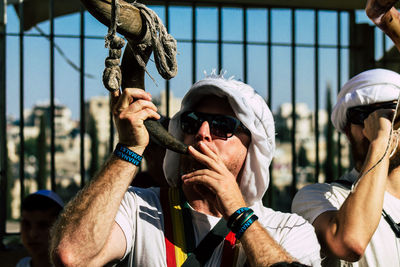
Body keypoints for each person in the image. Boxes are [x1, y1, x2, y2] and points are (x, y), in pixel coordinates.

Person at [50, 72, 321, 267]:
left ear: (252, 148)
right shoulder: (139, 208)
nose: (202, 134)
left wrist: (239, 215)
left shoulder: (287, 229)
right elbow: (73, 256)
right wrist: (129, 148)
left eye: (221, 127)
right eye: (193, 122)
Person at [292, 68, 400, 267]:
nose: (376, 125)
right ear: (348, 132)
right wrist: (380, 141)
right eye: (363, 116)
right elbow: (350, 243)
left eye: (390, 114)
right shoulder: (321, 197)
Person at [17, 190, 64, 267]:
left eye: (43, 225)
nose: (33, 234)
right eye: (27, 224)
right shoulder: (22, 264)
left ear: (60, 229)